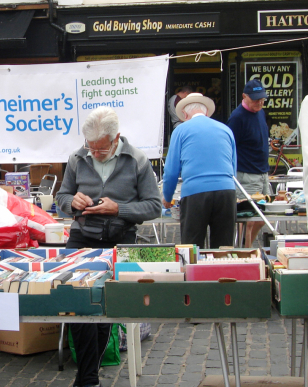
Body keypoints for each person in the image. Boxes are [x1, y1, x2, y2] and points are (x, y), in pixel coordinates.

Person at [55, 106, 161, 387]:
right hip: (82, 235)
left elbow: (154, 206)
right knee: (76, 302)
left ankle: (88, 375)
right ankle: (88, 377)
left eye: (101, 149)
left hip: (119, 238)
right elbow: (61, 197)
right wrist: (71, 203)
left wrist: (119, 209)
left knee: (105, 309)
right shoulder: (78, 158)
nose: (95, 153)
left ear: (116, 139)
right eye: (91, 147)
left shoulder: (137, 160)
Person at [162, 93, 237, 248]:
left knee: (192, 248)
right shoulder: (226, 129)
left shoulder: (180, 131)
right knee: (224, 247)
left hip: (195, 193)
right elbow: (234, 168)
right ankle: (223, 271)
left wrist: (167, 197)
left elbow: (171, 171)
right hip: (226, 191)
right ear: (206, 112)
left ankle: (194, 272)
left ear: (184, 114)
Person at [227, 79, 271, 247]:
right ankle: (245, 252)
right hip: (246, 174)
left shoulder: (260, 112)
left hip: (262, 173)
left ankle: (246, 248)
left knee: (262, 218)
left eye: (262, 98)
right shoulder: (237, 118)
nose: (259, 102)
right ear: (244, 96)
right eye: (255, 99)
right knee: (248, 219)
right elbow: (229, 146)